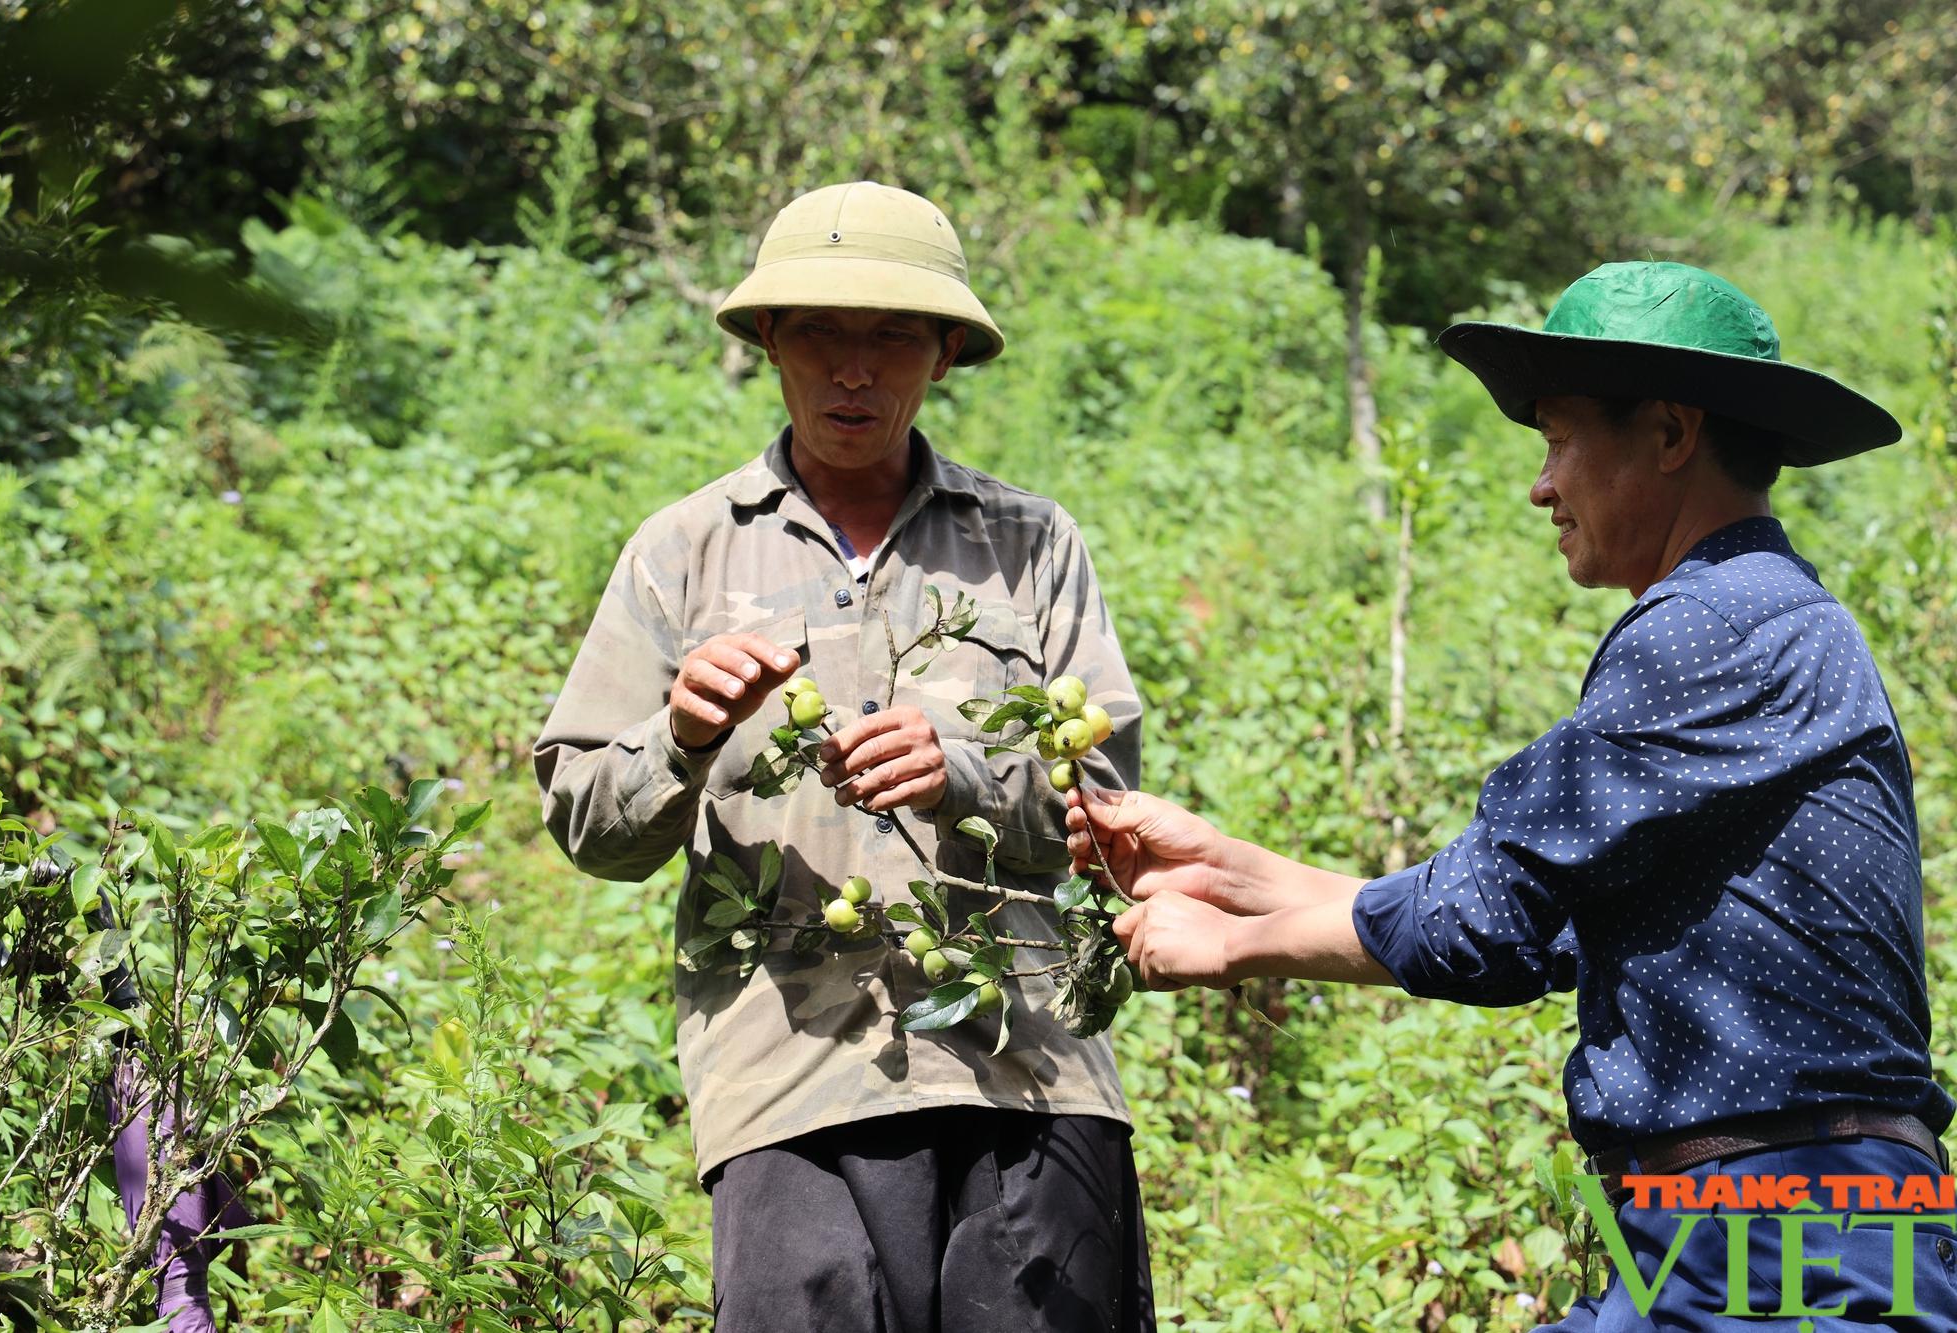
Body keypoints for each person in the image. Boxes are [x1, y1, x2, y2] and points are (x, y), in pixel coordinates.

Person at [1070, 261, 1957, 1329]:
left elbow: (1481, 917)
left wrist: (1224, 944)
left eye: (1556, 439)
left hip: (1789, 1229)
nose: (1540, 487)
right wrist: (1234, 873)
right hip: (1748, 1222)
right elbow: (1549, 932)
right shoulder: (1766, 615)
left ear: (1671, 433)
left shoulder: (1706, 625)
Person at [534, 180, 1155, 1332]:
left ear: (945, 353)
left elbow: (1113, 813)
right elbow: (586, 826)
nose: (852, 370)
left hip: (1028, 1070)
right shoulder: (684, 552)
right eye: (818, 330)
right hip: (785, 1084)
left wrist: (963, 765)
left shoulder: (1027, 545)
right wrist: (677, 734)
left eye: (891, 337)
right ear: (769, 340)